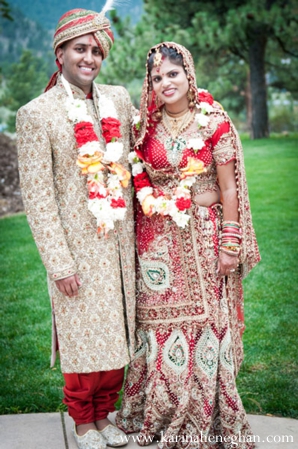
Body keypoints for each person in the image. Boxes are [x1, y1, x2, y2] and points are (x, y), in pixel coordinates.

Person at [116, 42, 261, 449]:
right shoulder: (143, 127)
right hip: (155, 243)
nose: (165, 82)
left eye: (173, 74)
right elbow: (136, 177)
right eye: (157, 77)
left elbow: (229, 187)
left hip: (204, 239)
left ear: (189, 74)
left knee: (204, 325)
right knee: (156, 327)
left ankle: (203, 417)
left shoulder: (212, 121)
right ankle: (155, 413)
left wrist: (230, 244)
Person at [16, 4, 136, 449]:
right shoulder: (37, 114)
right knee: (83, 339)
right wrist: (59, 263)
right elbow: (38, 199)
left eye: (96, 51)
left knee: (117, 336)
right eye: (80, 49)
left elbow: (138, 157)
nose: (89, 58)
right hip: (76, 248)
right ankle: (83, 421)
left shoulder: (118, 99)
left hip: (120, 244)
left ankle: (106, 415)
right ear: (60, 53)